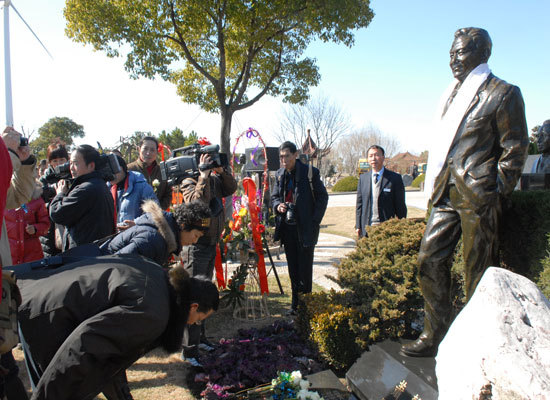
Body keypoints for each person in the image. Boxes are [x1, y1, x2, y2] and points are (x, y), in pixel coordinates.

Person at [401, 27, 528, 357]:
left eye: (460, 54)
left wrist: (495, 190)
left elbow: (515, 148)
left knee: (478, 272)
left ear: (483, 54)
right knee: (429, 258)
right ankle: (436, 332)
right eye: (451, 55)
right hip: (445, 191)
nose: (453, 61)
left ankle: (477, 346)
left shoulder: (504, 93)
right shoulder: (451, 94)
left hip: (478, 195)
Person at [16, 256, 219, 400]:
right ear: (193, 306)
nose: (194, 324)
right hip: (46, 313)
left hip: (43, 295)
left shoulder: (158, 276)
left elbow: (110, 357)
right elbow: (85, 348)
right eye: (200, 319)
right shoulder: (152, 314)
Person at [179, 145, 238, 366]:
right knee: (192, 297)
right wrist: (203, 175)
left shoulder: (214, 179)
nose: (209, 162)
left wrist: (221, 171)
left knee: (203, 294)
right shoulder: (189, 180)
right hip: (196, 245)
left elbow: (231, 188)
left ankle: (200, 339)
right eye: (205, 158)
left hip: (211, 243)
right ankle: (188, 349)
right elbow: (197, 203)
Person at [271, 141, 328, 315]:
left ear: (295, 155)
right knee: (293, 269)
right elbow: (273, 197)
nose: (283, 160)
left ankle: (306, 307)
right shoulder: (280, 174)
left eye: (286, 156)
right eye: (281, 156)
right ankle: (295, 306)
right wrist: (278, 206)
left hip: (304, 229)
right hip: (287, 229)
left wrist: (314, 221)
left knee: (305, 269)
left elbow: (322, 198)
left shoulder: (310, 172)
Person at [100, 199, 211, 266]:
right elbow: (119, 265)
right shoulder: (152, 240)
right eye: (196, 235)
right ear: (183, 225)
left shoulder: (162, 237)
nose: (195, 241)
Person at [49, 145, 115, 251]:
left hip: (83, 255)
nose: (71, 168)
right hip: (95, 253)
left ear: (91, 166)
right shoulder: (99, 184)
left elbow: (57, 213)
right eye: (70, 163)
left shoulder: (85, 189)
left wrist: (60, 194)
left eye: (76, 163)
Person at [355, 145, 407, 238]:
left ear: (383, 157)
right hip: (366, 227)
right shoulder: (363, 178)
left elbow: (400, 205)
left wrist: (402, 225)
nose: (373, 158)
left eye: (376, 155)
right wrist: (358, 225)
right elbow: (359, 205)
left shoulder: (395, 178)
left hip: (386, 227)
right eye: (370, 156)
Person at [107, 155, 158, 229]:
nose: (109, 176)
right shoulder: (107, 189)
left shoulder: (141, 186)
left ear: (121, 168)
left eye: (112, 171)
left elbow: (155, 213)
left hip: (137, 234)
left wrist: (136, 223)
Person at [5, 183, 49, 265]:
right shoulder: (3, 198)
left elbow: (46, 225)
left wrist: (35, 228)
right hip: (10, 257)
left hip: (32, 257)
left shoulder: (36, 198)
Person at [39, 142, 69, 258]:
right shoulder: (44, 181)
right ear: (50, 162)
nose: (58, 164)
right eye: (54, 161)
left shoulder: (74, 176)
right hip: (49, 229)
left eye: (61, 160)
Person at [127, 136, 172, 209]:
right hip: (134, 218)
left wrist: (158, 210)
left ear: (157, 152)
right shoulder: (129, 170)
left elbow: (168, 194)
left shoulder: (162, 171)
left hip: (157, 216)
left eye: (152, 150)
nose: (148, 153)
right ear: (139, 149)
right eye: (145, 149)